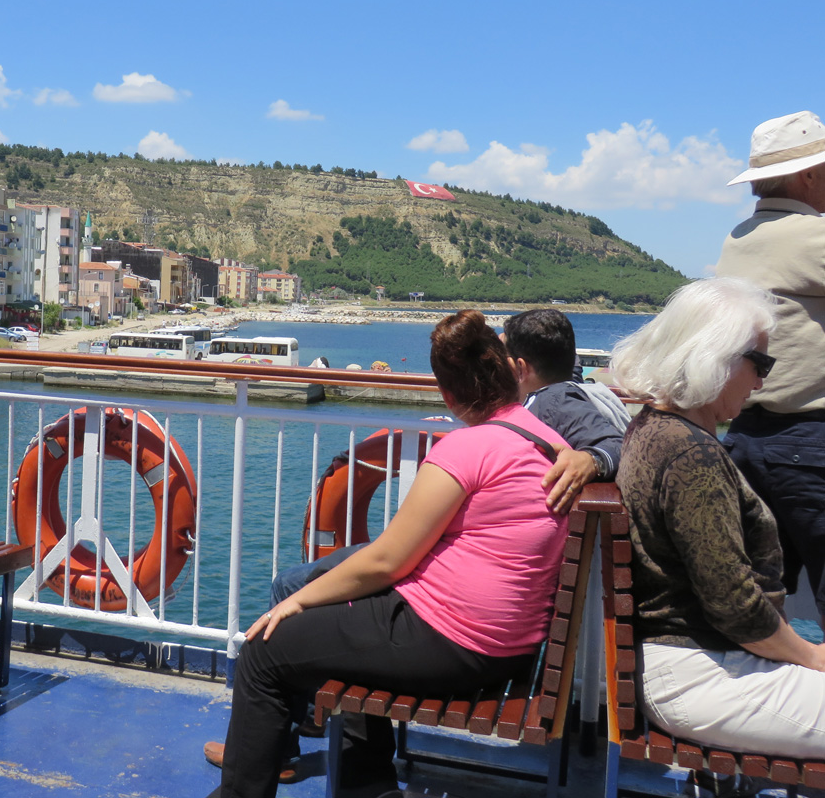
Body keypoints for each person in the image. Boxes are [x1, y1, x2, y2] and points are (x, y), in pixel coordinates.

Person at [204, 306, 627, 784]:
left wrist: (296, 601)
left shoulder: (467, 449)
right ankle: (369, 788)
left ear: (449, 395)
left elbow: (387, 560)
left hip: (460, 642)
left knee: (265, 649)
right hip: (514, 643)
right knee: (353, 638)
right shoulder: (550, 441)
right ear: (509, 374)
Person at [612, 277, 825, 758]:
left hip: (689, 662)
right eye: (760, 363)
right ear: (718, 356)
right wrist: (811, 655)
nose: (762, 381)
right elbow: (734, 604)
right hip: (703, 673)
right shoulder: (692, 456)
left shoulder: (651, 427)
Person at [715, 110, 825, 628]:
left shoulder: (737, 238)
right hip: (810, 444)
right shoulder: (813, 238)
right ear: (809, 176)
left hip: (745, 439)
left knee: (757, 605)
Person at [503, 308, 629, 513]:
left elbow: (619, 445)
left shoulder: (556, 401)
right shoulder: (563, 393)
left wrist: (592, 460)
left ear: (520, 367)